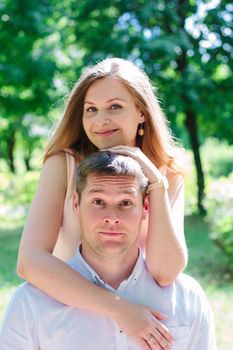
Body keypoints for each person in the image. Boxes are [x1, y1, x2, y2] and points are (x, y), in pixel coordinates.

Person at [17, 58, 188, 347]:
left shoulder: (167, 174)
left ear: (142, 112)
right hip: (69, 320)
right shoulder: (64, 165)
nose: (100, 121)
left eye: (115, 107)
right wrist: (120, 309)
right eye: (91, 110)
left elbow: (165, 271)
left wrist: (156, 184)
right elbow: (30, 262)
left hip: (145, 324)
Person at [0, 152, 216, 350]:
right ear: (76, 203)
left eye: (125, 202)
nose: (112, 217)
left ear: (145, 208)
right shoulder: (31, 302)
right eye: (98, 201)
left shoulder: (187, 298)